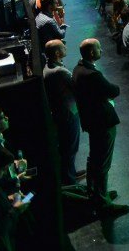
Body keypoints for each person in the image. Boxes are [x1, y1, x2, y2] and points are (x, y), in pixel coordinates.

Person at [72, 38, 129, 216]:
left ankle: (96, 194)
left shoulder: (78, 68)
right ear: (91, 53)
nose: (102, 51)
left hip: (92, 121)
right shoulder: (92, 75)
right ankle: (104, 204)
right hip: (102, 122)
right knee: (102, 163)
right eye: (99, 48)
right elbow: (113, 90)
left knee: (94, 160)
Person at [43, 38, 81, 185]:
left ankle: (71, 172)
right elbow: (77, 87)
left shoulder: (50, 67)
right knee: (70, 148)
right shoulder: (60, 71)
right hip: (68, 114)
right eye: (63, 47)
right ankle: (70, 181)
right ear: (58, 53)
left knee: (68, 147)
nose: (66, 47)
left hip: (61, 113)